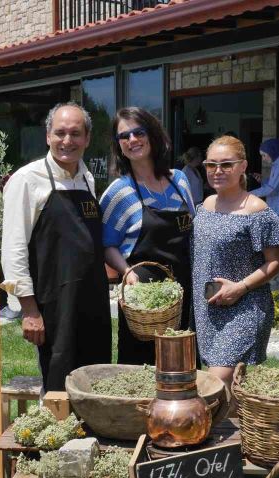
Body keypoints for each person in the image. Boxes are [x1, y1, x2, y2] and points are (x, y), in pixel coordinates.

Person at [1, 102, 111, 391]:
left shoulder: (87, 179)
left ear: (87, 138)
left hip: (93, 300)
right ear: (47, 136)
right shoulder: (26, 180)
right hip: (53, 303)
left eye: (76, 134)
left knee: (95, 376)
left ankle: (92, 432)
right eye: (60, 133)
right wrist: (29, 309)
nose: (67, 141)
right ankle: (58, 432)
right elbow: (13, 249)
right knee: (58, 377)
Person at [100, 107, 195, 365]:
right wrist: (127, 272)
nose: (132, 140)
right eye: (124, 136)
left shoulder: (180, 180)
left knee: (183, 369)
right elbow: (106, 245)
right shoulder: (118, 193)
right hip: (141, 298)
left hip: (183, 293)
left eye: (138, 132)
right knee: (141, 372)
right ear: (118, 145)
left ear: (153, 135)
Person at [191, 136, 279, 388]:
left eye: (226, 164)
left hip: (245, 307)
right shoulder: (205, 205)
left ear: (243, 166)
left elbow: (277, 262)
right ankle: (241, 427)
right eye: (211, 165)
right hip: (209, 308)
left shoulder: (257, 211)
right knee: (229, 391)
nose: (217, 171)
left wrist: (240, 286)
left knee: (216, 381)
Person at [250, 138, 279, 230]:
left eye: (264, 155)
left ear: (271, 152)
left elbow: (273, 189)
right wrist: (263, 180)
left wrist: (250, 194)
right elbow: (276, 184)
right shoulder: (276, 162)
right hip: (276, 206)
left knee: (278, 239)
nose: (263, 159)